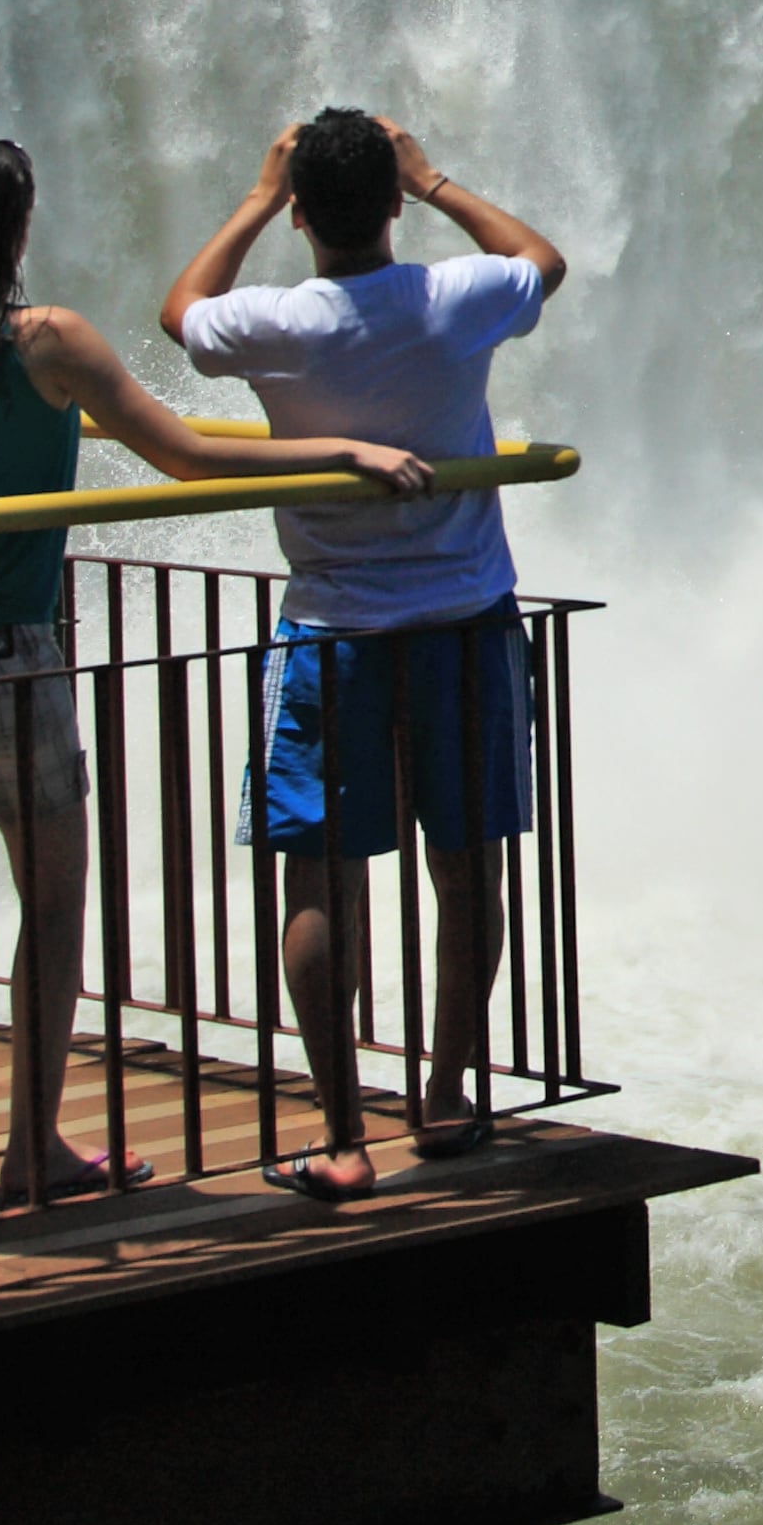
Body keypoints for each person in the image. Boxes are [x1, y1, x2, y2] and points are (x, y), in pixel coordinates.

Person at [0, 136, 432, 1242]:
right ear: (12, 235)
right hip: (2, 659)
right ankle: (32, 1145)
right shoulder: (48, 342)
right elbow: (185, 459)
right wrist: (341, 450)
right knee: (54, 898)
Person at [163, 109, 566, 1202]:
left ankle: (341, 1135)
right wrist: (435, 178)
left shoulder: (274, 324)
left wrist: (254, 195)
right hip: (465, 625)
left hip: (332, 634)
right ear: (390, 202)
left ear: (300, 212)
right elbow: (539, 260)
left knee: (321, 880)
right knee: (467, 863)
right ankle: (444, 1095)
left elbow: (178, 313)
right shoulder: (452, 299)